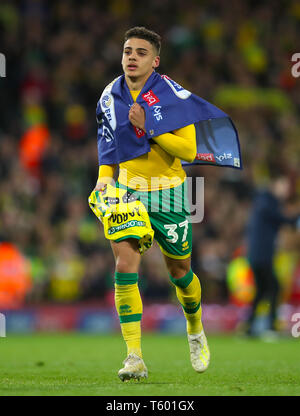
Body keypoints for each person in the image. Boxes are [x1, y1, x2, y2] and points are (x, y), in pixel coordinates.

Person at [92, 27, 213, 381]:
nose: (132, 57)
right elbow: (107, 141)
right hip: (128, 191)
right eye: (128, 50)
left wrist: (151, 128)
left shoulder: (175, 97)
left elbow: (190, 151)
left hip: (171, 192)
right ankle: (134, 357)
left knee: (180, 273)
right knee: (125, 264)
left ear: (155, 61)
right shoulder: (110, 95)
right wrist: (104, 175)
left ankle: (194, 327)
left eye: (141, 52)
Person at [246, 174, 300, 337]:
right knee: (274, 288)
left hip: (257, 255)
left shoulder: (265, 201)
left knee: (262, 290)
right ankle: (270, 327)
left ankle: (249, 328)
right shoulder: (266, 201)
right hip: (262, 255)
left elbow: (280, 220)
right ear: (275, 184)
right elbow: (282, 219)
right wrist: (295, 218)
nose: (286, 190)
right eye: (283, 185)